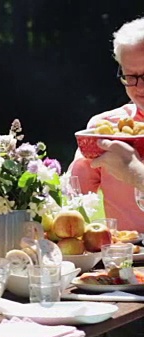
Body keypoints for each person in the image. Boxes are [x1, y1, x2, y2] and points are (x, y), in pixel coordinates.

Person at [70, 16, 144, 232]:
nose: (139, 87)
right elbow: (75, 197)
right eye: (130, 76)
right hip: (128, 258)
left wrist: (135, 172)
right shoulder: (106, 127)